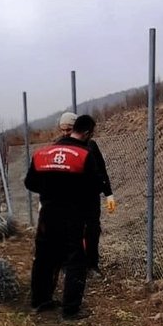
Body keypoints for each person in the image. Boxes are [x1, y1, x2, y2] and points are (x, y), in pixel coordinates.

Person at [25, 113, 109, 319]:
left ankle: (40, 301)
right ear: (88, 133)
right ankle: (70, 310)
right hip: (72, 216)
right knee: (75, 260)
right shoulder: (84, 154)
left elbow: (30, 183)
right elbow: (96, 185)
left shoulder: (42, 153)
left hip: (47, 215)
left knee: (44, 257)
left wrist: (50, 191)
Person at [57, 111, 116, 273]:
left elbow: (101, 172)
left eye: (68, 130)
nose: (65, 133)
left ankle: (92, 264)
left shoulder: (91, 146)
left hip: (90, 198)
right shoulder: (60, 146)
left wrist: (109, 194)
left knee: (92, 230)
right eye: (62, 130)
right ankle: (69, 263)